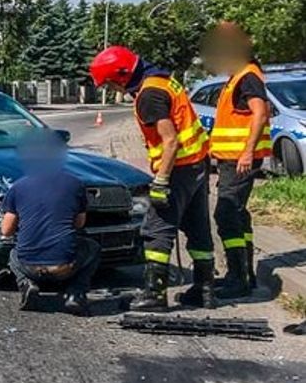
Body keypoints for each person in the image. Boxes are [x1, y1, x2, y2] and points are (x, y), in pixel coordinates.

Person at [90, 45, 215, 311]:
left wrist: (161, 181)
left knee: (156, 229)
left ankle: (155, 293)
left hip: (177, 168)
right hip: (197, 166)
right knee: (198, 227)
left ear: (122, 75)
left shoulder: (149, 95)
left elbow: (170, 141)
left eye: (111, 84)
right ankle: (205, 289)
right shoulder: (163, 81)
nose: (114, 91)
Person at [203, 21, 272, 298]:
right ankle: (246, 273)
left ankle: (237, 278)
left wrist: (246, 151)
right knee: (238, 214)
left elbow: (260, 113)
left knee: (226, 213)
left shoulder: (248, 76)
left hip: (240, 159)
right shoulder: (239, 76)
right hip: (233, 159)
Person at [0, 131, 100, 316]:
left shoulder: (18, 186)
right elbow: (79, 223)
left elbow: (6, 230)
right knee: (92, 248)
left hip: (28, 265)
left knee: (13, 252)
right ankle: (75, 295)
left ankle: (27, 284)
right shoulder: (75, 184)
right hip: (64, 267)